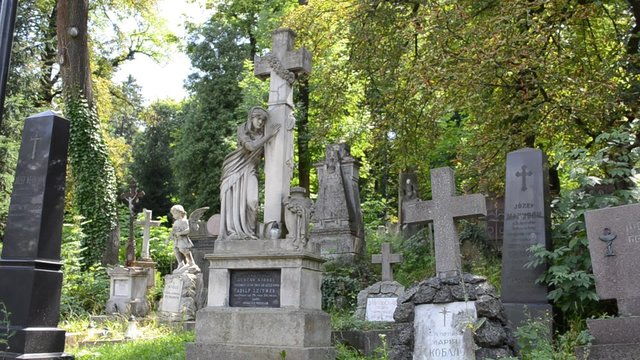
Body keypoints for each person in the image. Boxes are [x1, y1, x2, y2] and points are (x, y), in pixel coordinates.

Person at [219, 107, 280, 240]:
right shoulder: (243, 129)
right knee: (235, 203)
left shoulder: (263, 133)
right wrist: (269, 135)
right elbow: (251, 147)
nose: (260, 123)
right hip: (235, 168)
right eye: (258, 119)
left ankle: (250, 233)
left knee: (252, 201)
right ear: (251, 118)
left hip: (251, 169)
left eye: (263, 120)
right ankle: (236, 232)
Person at [169, 204, 196, 270]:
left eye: (175, 213)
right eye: (173, 214)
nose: (173, 215)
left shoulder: (185, 221)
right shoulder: (175, 222)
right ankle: (181, 263)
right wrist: (171, 235)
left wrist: (180, 233)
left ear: (180, 212)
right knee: (176, 250)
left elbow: (188, 230)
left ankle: (191, 261)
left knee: (183, 249)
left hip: (183, 239)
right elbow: (173, 231)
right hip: (177, 239)